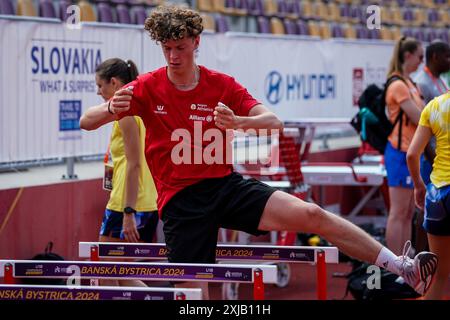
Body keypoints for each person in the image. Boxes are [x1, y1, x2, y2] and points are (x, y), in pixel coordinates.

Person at [79, 6, 438, 298]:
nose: (173, 56)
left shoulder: (220, 84)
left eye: (181, 48)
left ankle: (400, 267)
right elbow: (86, 120)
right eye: (167, 49)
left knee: (313, 213)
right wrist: (110, 109)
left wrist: (238, 121)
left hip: (225, 185)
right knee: (193, 294)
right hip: (180, 200)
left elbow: (274, 121)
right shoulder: (147, 86)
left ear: (196, 42)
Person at [93, 58, 159, 286]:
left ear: (113, 83)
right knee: (121, 274)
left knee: (105, 273)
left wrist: (129, 213)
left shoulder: (127, 114)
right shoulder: (142, 107)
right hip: (147, 201)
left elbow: (134, 164)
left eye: (100, 86)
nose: (99, 92)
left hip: (127, 203)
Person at [383, 37, 425, 255]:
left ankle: (404, 262)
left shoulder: (410, 83)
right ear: (407, 56)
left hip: (411, 152)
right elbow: (420, 117)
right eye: (419, 56)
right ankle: (394, 264)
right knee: (398, 212)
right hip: (399, 152)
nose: (421, 61)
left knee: (409, 212)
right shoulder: (398, 84)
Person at [407, 92, 450, 300]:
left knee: (439, 275)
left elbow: (412, 154)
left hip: (438, 195)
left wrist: (418, 185)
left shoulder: (433, 107)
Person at [412, 41, 450, 252]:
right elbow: (422, 122)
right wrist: (430, 153)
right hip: (431, 155)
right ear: (435, 56)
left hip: (438, 154)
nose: (449, 61)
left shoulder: (439, 81)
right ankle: (420, 257)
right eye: (447, 56)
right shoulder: (422, 83)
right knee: (425, 208)